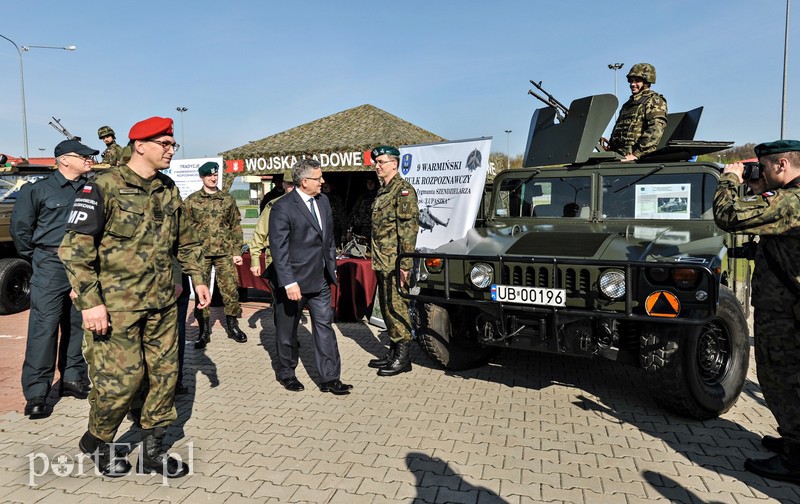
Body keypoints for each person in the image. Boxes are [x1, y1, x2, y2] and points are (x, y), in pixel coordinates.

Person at [59, 116, 211, 478]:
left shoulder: (167, 188)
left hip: (161, 304)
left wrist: (196, 278)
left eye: (173, 144)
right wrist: (91, 302)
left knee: (163, 377)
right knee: (120, 382)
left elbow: (184, 239)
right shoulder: (103, 186)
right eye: (165, 144)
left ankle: (154, 451)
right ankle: (100, 440)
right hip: (116, 307)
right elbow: (75, 250)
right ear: (140, 145)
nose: (171, 150)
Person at [713, 139, 800, 484]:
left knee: (783, 379)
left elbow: (729, 216)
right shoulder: (788, 199)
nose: (757, 172)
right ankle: (793, 441)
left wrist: (729, 180)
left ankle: (796, 460)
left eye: (762, 167)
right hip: (784, 309)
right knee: (785, 378)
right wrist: (755, 188)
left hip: (787, 314)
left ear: (780, 166)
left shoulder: (792, 202)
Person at [10, 139, 96, 419]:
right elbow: (22, 231)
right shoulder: (36, 190)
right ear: (64, 159)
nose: (89, 159)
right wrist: (39, 258)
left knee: (77, 325)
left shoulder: (91, 189)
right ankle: (37, 392)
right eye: (83, 156)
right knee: (43, 329)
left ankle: (72, 378)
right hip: (49, 263)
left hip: (83, 265)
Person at [268, 158, 352, 395]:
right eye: (318, 178)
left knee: (325, 326)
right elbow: (278, 248)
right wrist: (288, 282)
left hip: (320, 279)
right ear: (304, 182)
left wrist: (331, 266)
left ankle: (330, 378)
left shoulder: (323, 201)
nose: (323, 182)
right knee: (287, 330)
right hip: (293, 282)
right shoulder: (283, 207)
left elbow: (329, 238)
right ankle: (286, 373)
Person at [183, 161, 247, 349]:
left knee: (230, 289)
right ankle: (203, 331)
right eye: (209, 175)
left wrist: (237, 251)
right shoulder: (192, 200)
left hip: (224, 252)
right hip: (200, 253)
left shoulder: (227, 199)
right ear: (202, 177)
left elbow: (235, 226)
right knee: (201, 292)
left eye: (215, 175)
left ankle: (233, 326)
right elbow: (185, 228)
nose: (213, 178)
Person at [368, 146, 419, 376]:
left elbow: (408, 231)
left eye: (380, 162)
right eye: (376, 162)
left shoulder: (403, 191)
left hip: (395, 263)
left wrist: (405, 266)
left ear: (394, 164)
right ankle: (393, 351)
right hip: (382, 260)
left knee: (397, 307)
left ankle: (403, 358)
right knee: (387, 307)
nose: (377, 166)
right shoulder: (383, 191)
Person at [604, 63, 668, 162]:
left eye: (637, 81)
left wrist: (637, 154)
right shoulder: (628, 104)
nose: (632, 84)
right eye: (631, 81)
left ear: (646, 82)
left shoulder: (654, 101)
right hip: (621, 156)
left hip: (638, 159)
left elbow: (656, 129)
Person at [250, 169, 294, 279]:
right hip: (278, 258)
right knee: (280, 293)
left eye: (296, 184)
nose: (293, 188)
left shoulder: (310, 204)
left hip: (302, 258)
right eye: (290, 184)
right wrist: (255, 259)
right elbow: (260, 232)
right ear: (284, 184)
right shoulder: (274, 205)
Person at [346, 175, 379, 241]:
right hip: (363, 229)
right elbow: (353, 213)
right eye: (368, 182)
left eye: (372, 182)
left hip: (376, 229)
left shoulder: (379, 197)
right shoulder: (362, 198)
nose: (370, 184)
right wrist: (349, 230)